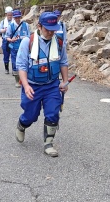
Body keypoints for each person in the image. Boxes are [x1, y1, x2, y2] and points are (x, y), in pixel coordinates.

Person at [15, 12, 70, 157]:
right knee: (31, 115)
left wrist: (65, 81)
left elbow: (63, 62)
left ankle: (48, 144)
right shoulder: (28, 42)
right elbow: (21, 65)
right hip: (33, 86)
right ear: (39, 26)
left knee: (53, 113)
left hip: (52, 85)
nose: (51, 32)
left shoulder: (58, 42)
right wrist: (26, 86)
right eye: (48, 29)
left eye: (53, 29)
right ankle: (22, 124)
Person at [5, 9, 30, 87]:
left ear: (20, 17)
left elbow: (29, 36)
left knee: (26, 63)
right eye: (15, 17)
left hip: (24, 49)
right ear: (13, 18)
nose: (17, 19)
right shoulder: (11, 26)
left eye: (18, 17)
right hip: (14, 48)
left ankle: (24, 80)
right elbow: (7, 37)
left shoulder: (26, 25)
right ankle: (17, 81)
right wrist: (11, 40)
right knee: (15, 64)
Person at [0, 6, 13, 74]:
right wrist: (4, 30)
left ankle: (14, 69)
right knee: (6, 55)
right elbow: (0, 30)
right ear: (6, 15)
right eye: (8, 15)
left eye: (11, 15)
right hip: (5, 40)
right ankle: (6, 68)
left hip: (13, 40)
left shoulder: (14, 22)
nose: (10, 16)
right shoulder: (3, 22)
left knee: (14, 55)